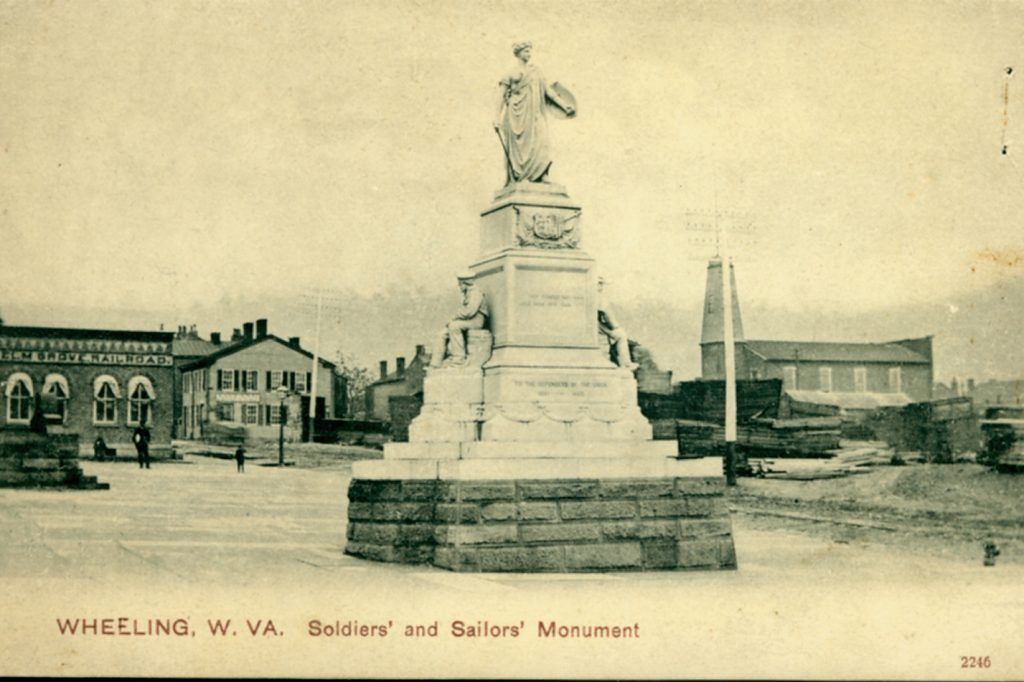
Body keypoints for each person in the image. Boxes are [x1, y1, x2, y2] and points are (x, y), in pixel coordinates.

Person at [494, 41, 576, 184]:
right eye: (526, 51)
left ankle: (541, 174)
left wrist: (564, 105)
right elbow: (501, 95)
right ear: (518, 53)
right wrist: (496, 117)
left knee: (542, 140)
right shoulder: (510, 72)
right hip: (517, 115)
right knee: (520, 146)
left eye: (530, 51)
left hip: (536, 114)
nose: (529, 54)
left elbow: (548, 91)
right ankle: (521, 176)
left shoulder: (536, 71)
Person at [430, 271, 490, 368]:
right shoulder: (467, 294)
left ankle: (458, 359)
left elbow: (469, 312)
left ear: (465, 283)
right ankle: (435, 363)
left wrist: (453, 318)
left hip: (476, 321)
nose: (459, 287)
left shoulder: (476, 293)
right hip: (468, 320)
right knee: (442, 333)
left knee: (454, 326)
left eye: (460, 285)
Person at [597, 276, 637, 370]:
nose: (601, 287)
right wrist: (615, 326)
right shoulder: (599, 297)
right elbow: (606, 313)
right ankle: (626, 364)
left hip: (594, 324)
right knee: (621, 335)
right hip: (598, 325)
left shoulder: (587, 295)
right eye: (600, 284)